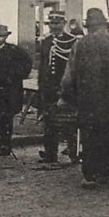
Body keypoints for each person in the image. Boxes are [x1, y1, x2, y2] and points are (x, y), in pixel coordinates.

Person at [59, 8, 109, 188]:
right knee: (108, 133)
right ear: (105, 26)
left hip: (88, 100)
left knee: (89, 136)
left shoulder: (80, 45)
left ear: (89, 27)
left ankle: (90, 174)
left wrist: (67, 96)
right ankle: (104, 171)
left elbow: (69, 75)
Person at [36, 11, 77, 164]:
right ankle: (50, 154)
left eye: (57, 23)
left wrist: (69, 87)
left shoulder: (71, 41)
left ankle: (74, 153)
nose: (54, 26)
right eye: (51, 23)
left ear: (63, 24)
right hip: (48, 88)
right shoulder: (46, 42)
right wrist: (41, 86)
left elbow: (72, 66)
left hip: (64, 87)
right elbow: (43, 67)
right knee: (49, 121)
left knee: (69, 121)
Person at [0, 24, 31, 157]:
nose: (0, 38)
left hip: (10, 91)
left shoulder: (14, 50)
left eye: (3, 36)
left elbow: (27, 63)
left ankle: (6, 144)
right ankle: (2, 142)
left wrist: (16, 76)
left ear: (6, 37)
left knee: (7, 117)